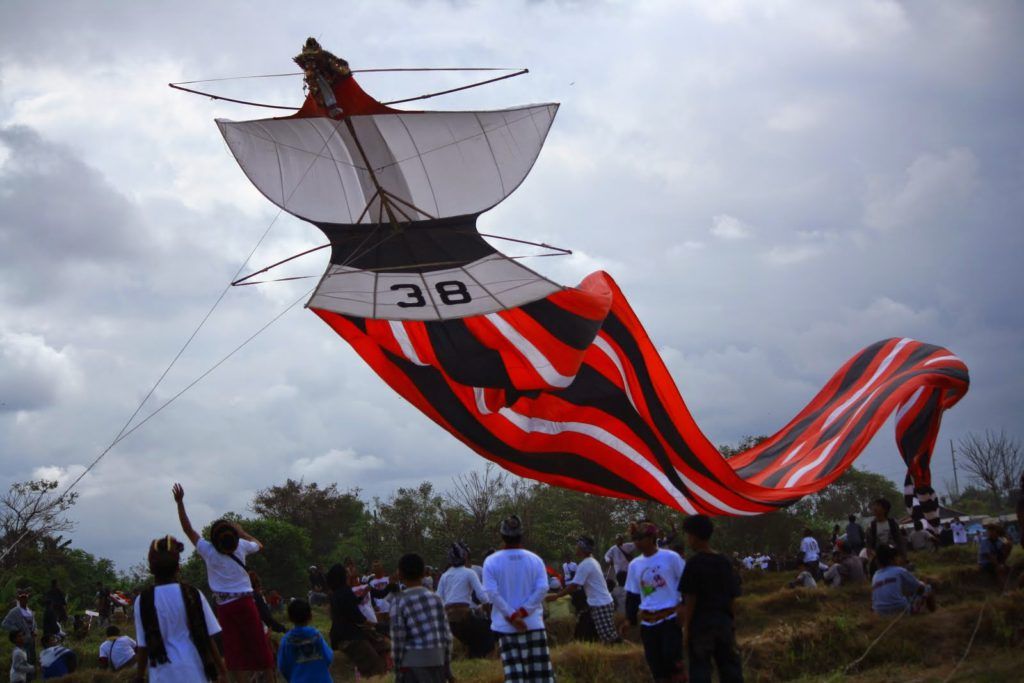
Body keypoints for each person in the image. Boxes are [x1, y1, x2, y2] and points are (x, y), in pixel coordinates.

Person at [173, 483, 275, 681]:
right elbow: (259, 545)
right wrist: (242, 531)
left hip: (224, 607)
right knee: (260, 647)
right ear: (234, 538)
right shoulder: (241, 547)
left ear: (214, 537)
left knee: (234, 653)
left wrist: (180, 503)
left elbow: (188, 529)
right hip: (246, 603)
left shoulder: (208, 550)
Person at [133, 534, 227, 682]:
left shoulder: (143, 600)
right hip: (196, 672)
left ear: (151, 568)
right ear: (178, 567)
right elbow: (209, 639)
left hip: (162, 675)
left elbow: (143, 647)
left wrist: (138, 677)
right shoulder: (193, 594)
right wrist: (222, 673)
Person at [483, 515, 554, 683]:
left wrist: (513, 616)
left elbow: (492, 594)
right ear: (522, 535)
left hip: (506, 627)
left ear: (502, 536)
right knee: (541, 677)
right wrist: (523, 612)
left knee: (515, 677)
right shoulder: (535, 559)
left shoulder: (491, 561)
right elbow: (543, 588)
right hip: (533, 625)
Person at [678, 515, 743, 683]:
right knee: (730, 668)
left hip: (701, 625)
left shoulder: (693, 563)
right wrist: (731, 623)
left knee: (700, 669)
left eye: (688, 535)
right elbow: (732, 597)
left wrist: (686, 628)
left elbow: (690, 599)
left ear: (693, 536)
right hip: (723, 623)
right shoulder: (724, 562)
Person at [625, 520, 686, 683]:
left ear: (652, 538)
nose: (636, 542)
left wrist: (684, 607)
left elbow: (687, 583)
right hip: (648, 623)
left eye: (640, 538)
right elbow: (633, 594)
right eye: (634, 538)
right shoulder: (634, 565)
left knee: (672, 662)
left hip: (670, 619)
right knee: (656, 667)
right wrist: (629, 618)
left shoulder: (671, 557)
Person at [390, 553, 454, 683]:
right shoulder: (436, 599)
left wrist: (397, 671)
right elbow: (446, 636)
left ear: (400, 574)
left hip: (412, 665)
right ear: (423, 573)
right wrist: (447, 669)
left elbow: (398, 640)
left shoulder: (399, 601)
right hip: (438, 661)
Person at [546, 536, 621, 644]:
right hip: (597, 604)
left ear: (582, 549)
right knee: (587, 633)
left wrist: (556, 596)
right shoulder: (592, 561)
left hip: (601, 604)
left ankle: (630, 653)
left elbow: (574, 586)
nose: (575, 548)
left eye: (577, 546)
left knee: (609, 637)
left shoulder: (585, 564)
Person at [325, 563, 388, 677]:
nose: (349, 574)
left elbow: (352, 605)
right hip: (350, 638)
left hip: (340, 636)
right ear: (343, 577)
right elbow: (358, 618)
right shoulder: (345, 592)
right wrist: (377, 625)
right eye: (347, 572)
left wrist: (363, 595)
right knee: (376, 667)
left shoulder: (337, 593)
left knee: (381, 643)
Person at [436, 542, 493, 658]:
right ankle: (478, 657)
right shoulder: (470, 572)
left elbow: (438, 599)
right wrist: (490, 615)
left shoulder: (444, 575)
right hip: (465, 616)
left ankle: (469, 655)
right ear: (464, 557)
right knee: (489, 632)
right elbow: (483, 597)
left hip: (450, 620)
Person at [871, 544, 935, 616]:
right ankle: (934, 614)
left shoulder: (875, 575)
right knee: (928, 588)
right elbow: (919, 587)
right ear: (892, 559)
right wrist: (923, 582)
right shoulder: (899, 571)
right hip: (900, 609)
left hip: (879, 612)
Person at [277, 599, 333, 682]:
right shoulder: (316, 635)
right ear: (310, 616)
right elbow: (329, 657)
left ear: (290, 618)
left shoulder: (286, 640)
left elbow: (282, 665)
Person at [865, 498, 906, 571]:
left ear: (885, 509)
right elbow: (869, 545)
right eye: (874, 505)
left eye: (878, 505)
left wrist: (902, 557)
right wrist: (871, 558)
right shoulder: (871, 526)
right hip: (879, 559)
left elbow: (899, 541)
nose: (875, 508)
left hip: (893, 557)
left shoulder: (892, 523)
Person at [3, 590, 37, 675]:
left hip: (31, 641)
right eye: (21, 598)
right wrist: (17, 630)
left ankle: (31, 679)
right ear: (19, 599)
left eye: (25, 598)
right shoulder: (14, 611)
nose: (24, 600)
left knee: (32, 660)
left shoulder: (30, 611)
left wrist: (35, 630)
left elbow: (34, 624)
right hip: (22, 641)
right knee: (24, 661)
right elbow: (4, 624)